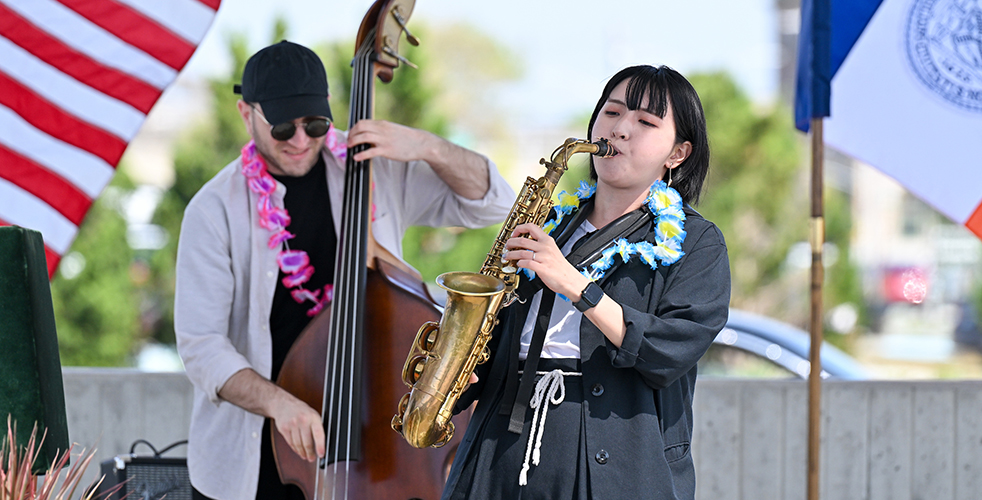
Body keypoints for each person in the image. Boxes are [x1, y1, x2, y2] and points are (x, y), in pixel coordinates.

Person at [173, 40, 515, 500]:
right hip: (251, 456)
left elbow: (493, 202)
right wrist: (281, 405)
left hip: (378, 445)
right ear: (245, 113)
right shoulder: (213, 210)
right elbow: (201, 347)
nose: (299, 139)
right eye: (281, 127)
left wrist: (427, 146)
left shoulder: (374, 172)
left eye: (315, 124)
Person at [441, 65, 731, 500]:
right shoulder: (549, 226)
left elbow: (669, 351)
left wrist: (573, 284)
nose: (620, 130)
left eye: (646, 123)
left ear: (678, 153)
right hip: (500, 450)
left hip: (617, 456)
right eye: (611, 113)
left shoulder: (698, 242)